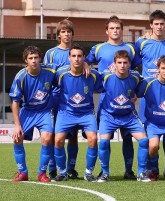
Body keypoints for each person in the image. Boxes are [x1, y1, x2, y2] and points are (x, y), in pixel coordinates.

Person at [85, 16, 137, 179]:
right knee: (105, 138)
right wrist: (86, 64)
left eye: (118, 28)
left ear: (122, 30)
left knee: (128, 137)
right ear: (107, 31)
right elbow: (84, 62)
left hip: (127, 100)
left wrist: (135, 92)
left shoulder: (131, 48)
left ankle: (129, 170)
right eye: (112, 28)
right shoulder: (98, 48)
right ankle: (104, 170)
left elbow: (137, 70)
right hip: (106, 100)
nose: (115, 31)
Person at [134, 9, 165, 180]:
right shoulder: (142, 43)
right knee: (150, 140)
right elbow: (132, 64)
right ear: (151, 25)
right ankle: (151, 169)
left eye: (162, 24)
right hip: (149, 94)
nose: (159, 27)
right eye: (156, 24)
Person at [44, 19, 90, 180]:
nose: (66, 34)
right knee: (54, 136)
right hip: (56, 98)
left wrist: (86, 64)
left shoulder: (77, 52)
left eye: (69, 32)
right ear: (58, 35)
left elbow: (86, 65)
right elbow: (46, 74)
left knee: (73, 135)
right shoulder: (51, 53)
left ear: (72, 34)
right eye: (63, 32)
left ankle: (71, 167)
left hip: (73, 99)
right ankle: (52, 167)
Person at [97, 50, 150, 182]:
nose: (122, 66)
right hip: (109, 115)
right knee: (103, 142)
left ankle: (141, 173)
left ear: (129, 64)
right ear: (114, 64)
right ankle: (104, 173)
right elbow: (91, 80)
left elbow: (143, 85)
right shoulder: (105, 75)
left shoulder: (135, 76)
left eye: (125, 63)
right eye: (119, 63)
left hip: (128, 115)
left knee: (144, 141)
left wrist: (137, 94)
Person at [53, 44, 102, 182]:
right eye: (73, 56)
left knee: (93, 139)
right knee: (58, 140)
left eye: (79, 56)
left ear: (84, 58)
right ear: (69, 57)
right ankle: (62, 172)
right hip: (66, 113)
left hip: (86, 113)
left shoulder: (93, 74)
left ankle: (88, 173)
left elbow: (105, 87)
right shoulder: (60, 74)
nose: (76, 59)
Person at [9, 46, 56, 182]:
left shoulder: (51, 70)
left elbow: (68, 67)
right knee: (17, 138)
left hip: (45, 111)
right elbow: (15, 102)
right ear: (26, 61)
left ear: (40, 58)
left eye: (36, 57)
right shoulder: (21, 76)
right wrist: (17, 126)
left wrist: (84, 64)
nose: (34, 60)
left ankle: (42, 173)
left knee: (47, 138)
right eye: (31, 58)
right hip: (28, 111)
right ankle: (22, 172)